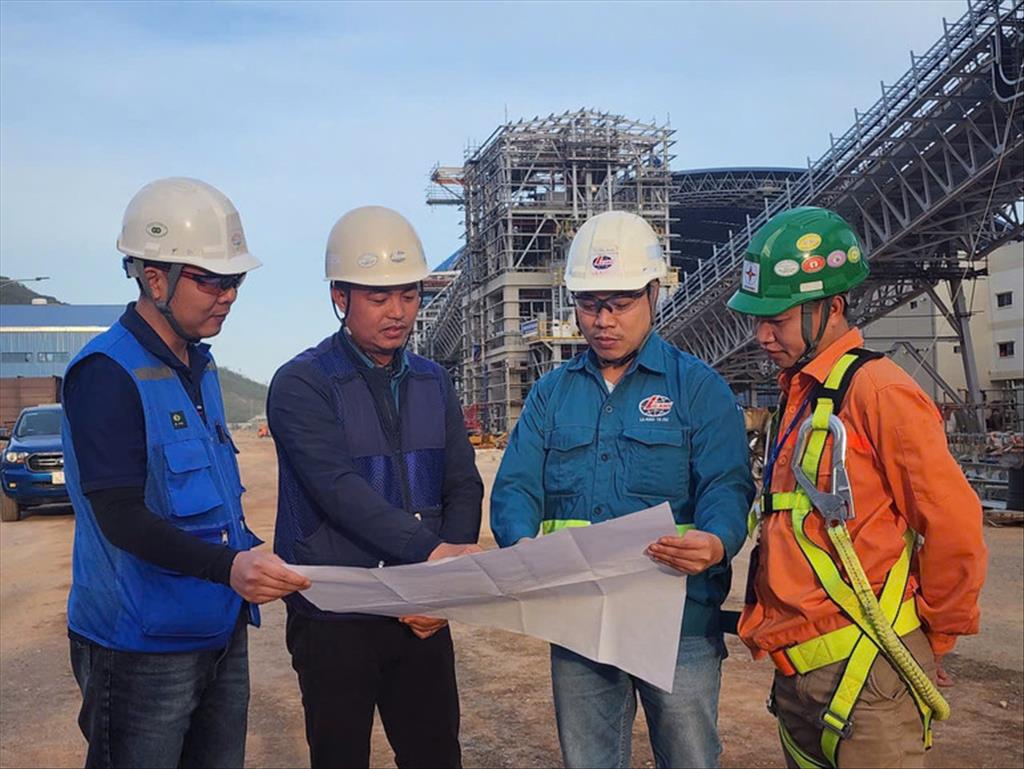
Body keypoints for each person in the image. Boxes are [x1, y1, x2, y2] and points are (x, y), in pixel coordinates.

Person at [490, 210, 754, 769]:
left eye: (620, 303)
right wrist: (521, 544)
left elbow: (727, 484)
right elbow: (516, 485)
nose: (603, 321)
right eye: (589, 304)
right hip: (581, 620)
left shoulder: (697, 389)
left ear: (654, 294)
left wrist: (716, 540)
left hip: (678, 622)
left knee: (689, 758)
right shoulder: (551, 395)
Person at [63, 177, 311, 769]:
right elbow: (120, 517)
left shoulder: (201, 368)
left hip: (218, 629)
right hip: (139, 648)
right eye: (211, 280)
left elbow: (215, 499)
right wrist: (229, 567)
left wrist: (246, 560)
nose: (228, 296)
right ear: (155, 279)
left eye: (236, 281)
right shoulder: (106, 373)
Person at [729, 206, 988, 769]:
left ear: (833, 307)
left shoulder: (880, 392)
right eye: (756, 319)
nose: (762, 335)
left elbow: (953, 523)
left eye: (778, 318)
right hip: (799, 675)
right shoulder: (800, 397)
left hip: (869, 672)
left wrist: (935, 636)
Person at [268, 205, 484, 769]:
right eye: (379, 296)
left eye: (409, 295)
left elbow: (462, 482)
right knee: (340, 756)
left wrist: (444, 581)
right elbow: (339, 490)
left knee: (436, 755)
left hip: (420, 609)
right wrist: (434, 557)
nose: (398, 311)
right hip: (337, 612)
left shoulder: (433, 381)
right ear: (340, 296)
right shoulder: (302, 384)